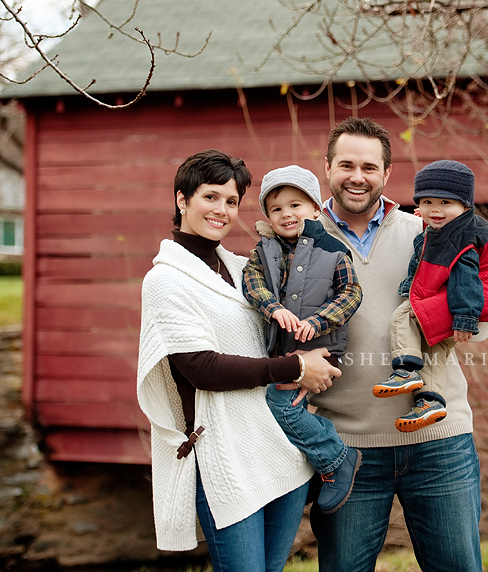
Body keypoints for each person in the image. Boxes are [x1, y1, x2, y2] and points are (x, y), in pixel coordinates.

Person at [308, 117, 488, 572]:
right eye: (346, 165)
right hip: (348, 448)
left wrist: (445, 324)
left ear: (386, 173)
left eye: (369, 167)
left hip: (439, 439)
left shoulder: (429, 229)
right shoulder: (302, 236)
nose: (357, 176)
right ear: (327, 168)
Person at [136, 150, 341, 572]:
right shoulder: (165, 279)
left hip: (280, 449)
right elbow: (200, 367)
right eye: (211, 197)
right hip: (225, 458)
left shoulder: (243, 266)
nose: (222, 211)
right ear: (182, 199)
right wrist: (296, 368)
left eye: (231, 202)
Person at [241, 165, 363, 514]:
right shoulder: (264, 251)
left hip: (320, 348)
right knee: (278, 408)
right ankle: (316, 464)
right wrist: (272, 308)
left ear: (314, 208)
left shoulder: (333, 249)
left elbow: (351, 293)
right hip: (283, 351)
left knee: (280, 406)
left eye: (295, 205)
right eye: (276, 209)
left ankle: (335, 458)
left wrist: (320, 320)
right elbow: (253, 282)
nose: (286, 214)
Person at [373, 160, 488, 432]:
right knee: (434, 346)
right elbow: (433, 231)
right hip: (454, 303)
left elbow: (466, 279)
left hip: (464, 304)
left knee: (404, 316)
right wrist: (429, 218)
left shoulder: (461, 238)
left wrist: (464, 317)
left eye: (444, 203)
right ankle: (430, 401)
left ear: (465, 206)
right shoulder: (445, 227)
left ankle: (404, 370)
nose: (435, 210)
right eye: (427, 202)